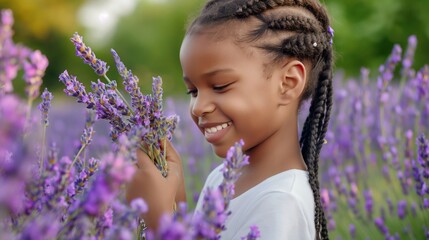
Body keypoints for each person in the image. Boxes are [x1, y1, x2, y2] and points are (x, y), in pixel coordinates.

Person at [126, 0, 334, 239]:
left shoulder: (282, 203)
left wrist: (158, 223)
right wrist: (176, 206)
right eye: (193, 91)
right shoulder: (222, 178)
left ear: (288, 83)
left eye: (220, 86)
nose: (199, 107)